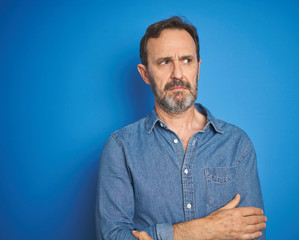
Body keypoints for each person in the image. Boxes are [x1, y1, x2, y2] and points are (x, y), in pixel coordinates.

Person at [96, 16, 267, 240]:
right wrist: (202, 230)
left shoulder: (237, 144)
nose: (178, 74)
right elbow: (112, 237)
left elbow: (253, 234)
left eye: (186, 60)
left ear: (198, 67)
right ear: (145, 73)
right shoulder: (121, 148)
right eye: (164, 62)